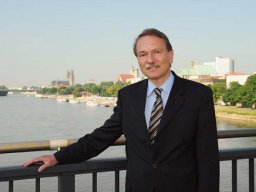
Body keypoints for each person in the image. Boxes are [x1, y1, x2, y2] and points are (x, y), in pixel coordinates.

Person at [23, 28, 219, 192]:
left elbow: (207, 156)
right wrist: (57, 157)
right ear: (138, 60)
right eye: (143, 54)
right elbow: (101, 137)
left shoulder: (199, 95)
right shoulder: (129, 96)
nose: (150, 60)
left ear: (171, 55)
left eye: (157, 52)